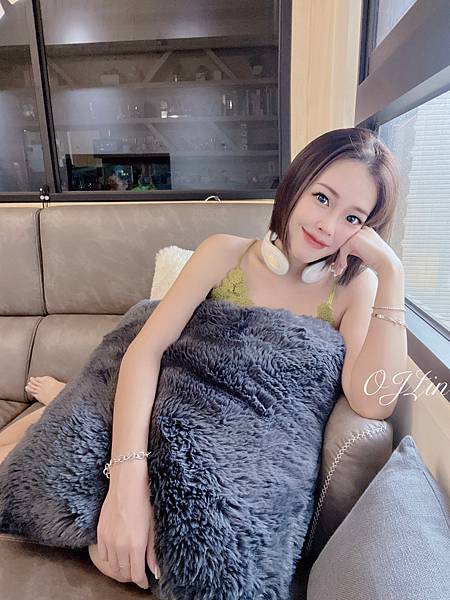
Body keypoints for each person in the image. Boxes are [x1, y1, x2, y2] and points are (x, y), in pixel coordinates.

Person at [0, 127, 408, 590]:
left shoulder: (354, 289)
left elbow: (373, 402)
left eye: (353, 217)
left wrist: (391, 274)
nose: (328, 227)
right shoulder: (223, 253)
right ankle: (61, 401)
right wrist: (126, 483)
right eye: (321, 198)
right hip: (163, 405)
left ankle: (58, 401)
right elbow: (146, 349)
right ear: (296, 185)